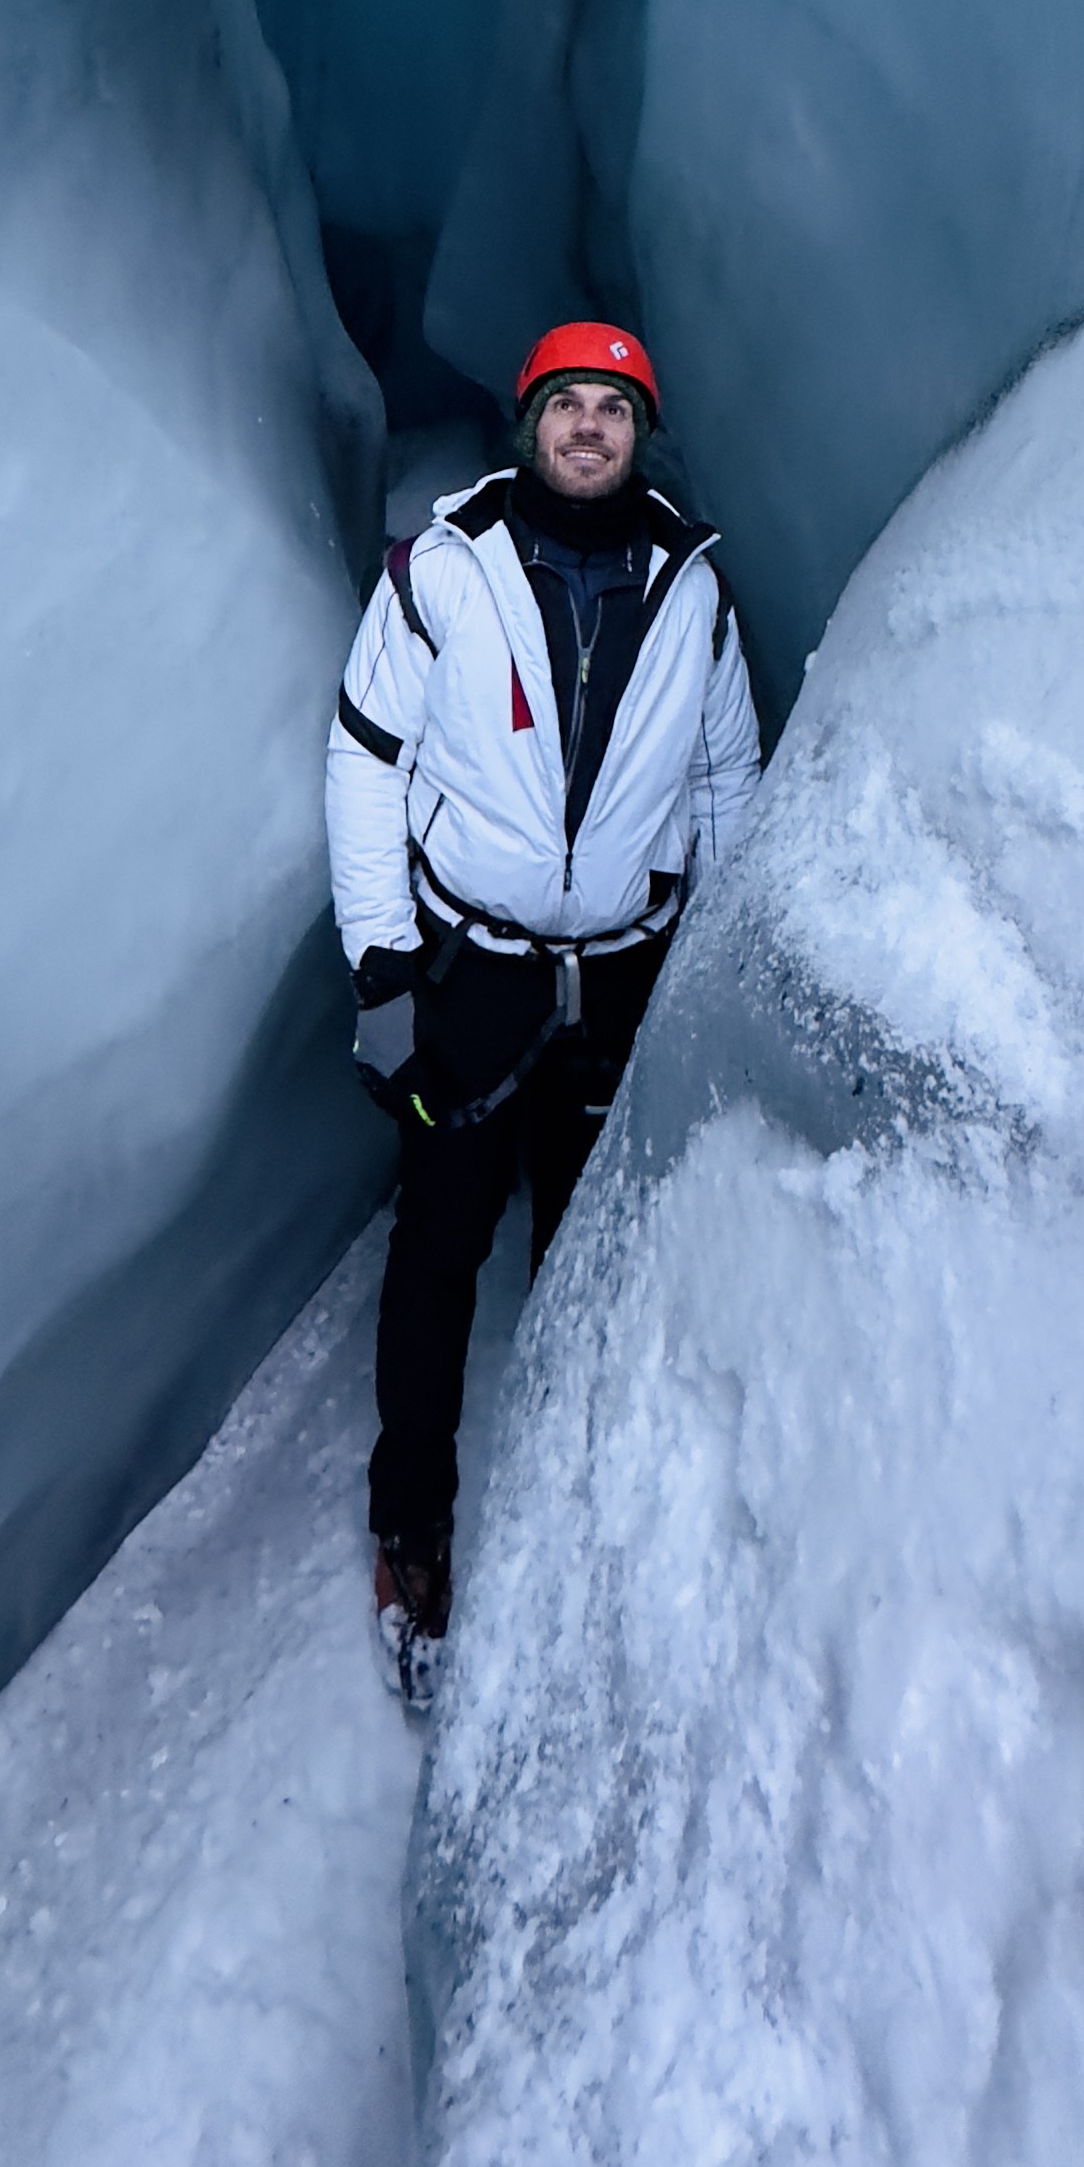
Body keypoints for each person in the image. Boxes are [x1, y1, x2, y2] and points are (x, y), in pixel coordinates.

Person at [326, 321, 762, 1710]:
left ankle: (577, 1527)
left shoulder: (691, 587)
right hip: (474, 974)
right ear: (529, 423)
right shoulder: (443, 570)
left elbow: (727, 776)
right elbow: (364, 764)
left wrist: (710, 962)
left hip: (622, 974)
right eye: (567, 405)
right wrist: (383, 967)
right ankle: (414, 1523)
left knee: (590, 1254)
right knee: (442, 1249)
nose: (588, 429)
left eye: (613, 409)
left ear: (643, 433)